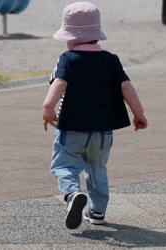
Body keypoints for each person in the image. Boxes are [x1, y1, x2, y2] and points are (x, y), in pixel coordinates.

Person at [42, 2, 147, 230]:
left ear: (69, 39)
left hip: (72, 128)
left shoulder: (67, 59)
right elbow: (126, 87)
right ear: (96, 37)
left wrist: (48, 106)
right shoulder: (111, 60)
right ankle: (97, 211)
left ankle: (72, 194)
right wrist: (138, 113)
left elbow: (60, 83)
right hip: (103, 132)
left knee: (64, 166)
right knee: (97, 168)